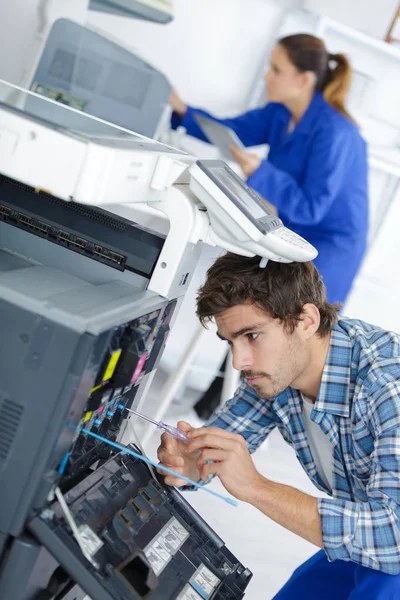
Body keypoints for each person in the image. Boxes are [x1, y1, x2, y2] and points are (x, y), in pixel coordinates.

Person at [157, 253, 400, 599]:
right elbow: (221, 443)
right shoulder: (277, 373)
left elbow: (393, 536)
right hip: (371, 526)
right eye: (231, 342)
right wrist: (190, 463)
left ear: (306, 320)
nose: (239, 361)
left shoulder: (388, 386)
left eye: (252, 336)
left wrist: (256, 487)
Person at [170, 34, 369, 305]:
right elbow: (229, 131)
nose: (267, 77)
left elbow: (311, 207)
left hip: (329, 249)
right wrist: (180, 108)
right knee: (256, 310)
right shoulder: (279, 113)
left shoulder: (336, 133)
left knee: (294, 324)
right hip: (291, 230)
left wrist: (260, 171)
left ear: (303, 79)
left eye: (276, 70)